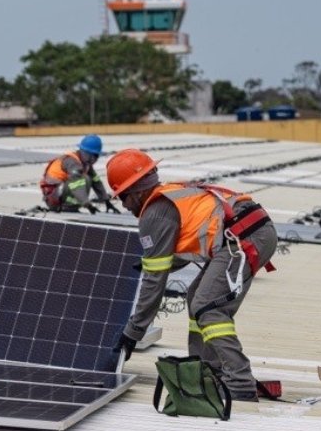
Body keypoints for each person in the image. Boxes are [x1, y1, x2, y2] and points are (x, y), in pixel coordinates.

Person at [107, 149, 277, 402]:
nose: (123, 205)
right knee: (196, 297)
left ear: (137, 191)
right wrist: (149, 265)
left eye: (123, 197)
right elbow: (169, 259)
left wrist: (134, 332)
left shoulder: (154, 212)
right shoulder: (171, 195)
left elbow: (156, 282)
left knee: (209, 308)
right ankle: (207, 370)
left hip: (242, 238)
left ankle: (239, 382)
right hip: (249, 231)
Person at [39, 134, 118, 214]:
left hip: (60, 192)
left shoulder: (84, 163)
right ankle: (68, 206)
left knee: (89, 178)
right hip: (53, 197)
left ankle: (71, 205)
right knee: (84, 179)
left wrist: (106, 201)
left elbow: (96, 181)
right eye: (93, 156)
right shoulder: (73, 163)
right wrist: (88, 205)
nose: (94, 159)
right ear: (85, 153)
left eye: (96, 156)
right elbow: (76, 185)